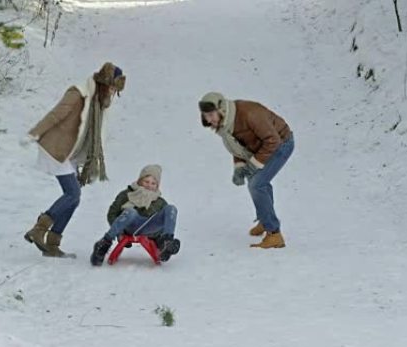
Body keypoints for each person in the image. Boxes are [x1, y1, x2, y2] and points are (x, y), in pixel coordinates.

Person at [23, 62, 126, 257]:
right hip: (56, 148)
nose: (112, 94)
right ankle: (39, 229)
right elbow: (56, 114)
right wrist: (35, 133)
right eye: (112, 88)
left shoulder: (97, 104)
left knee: (74, 198)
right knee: (72, 194)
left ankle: (52, 244)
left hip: (68, 153)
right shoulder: (79, 93)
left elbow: (86, 136)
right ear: (105, 84)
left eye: (115, 90)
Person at [198, 92, 294, 248]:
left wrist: (253, 165)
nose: (209, 120)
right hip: (263, 147)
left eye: (210, 115)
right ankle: (265, 219)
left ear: (221, 109)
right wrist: (240, 167)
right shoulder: (227, 122)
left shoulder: (249, 114)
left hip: (282, 144)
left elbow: (273, 141)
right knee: (258, 182)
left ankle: (274, 234)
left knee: (257, 184)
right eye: (205, 116)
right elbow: (240, 146)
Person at [90, 164, 181, 265]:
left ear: (157, 185)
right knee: (131, 212)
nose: (149, 185)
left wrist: (158, 241)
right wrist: (120, 232)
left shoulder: (160, 202)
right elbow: (112, 214)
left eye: (153, 183)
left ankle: (166, 243)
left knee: (171, 209)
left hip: (149, 228)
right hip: (129, 225)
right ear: (140, 180)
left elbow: (165, 222)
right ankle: (104, 243)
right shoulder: (127, 194)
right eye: (146, 181)